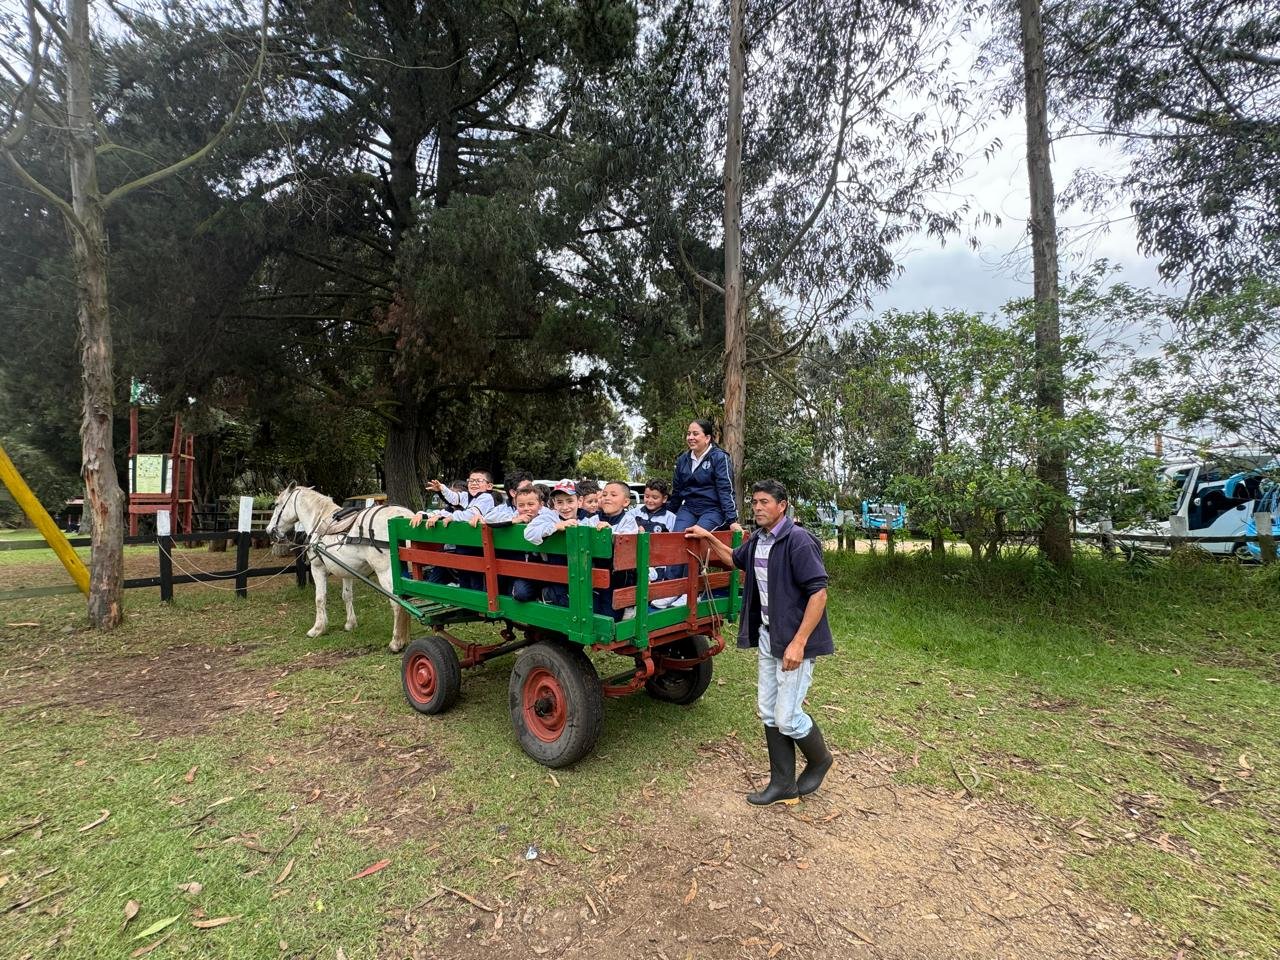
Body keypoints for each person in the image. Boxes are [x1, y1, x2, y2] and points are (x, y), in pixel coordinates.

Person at [686, 479, 834, 806]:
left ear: (782, 505)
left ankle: (820, 760)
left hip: (793, 640)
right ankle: (783, 784)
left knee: (787, 717)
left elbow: (819, 593)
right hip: (768, 635)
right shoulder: (759, 539)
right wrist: (708, 537)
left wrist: (799, 643)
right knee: (769, 711)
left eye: (764, 502)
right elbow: (734, 559)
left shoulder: (798, 540)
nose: (757, 507)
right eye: (754, 502)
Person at [669, 419, 737, 532]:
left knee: (698, 534)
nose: (690, 437)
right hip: (689, 508)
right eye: (688, 434)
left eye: (695, 434)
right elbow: (677, 490)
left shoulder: (719, 457)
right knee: (678, 536)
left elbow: (725, 489)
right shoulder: (682, 460)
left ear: (707, 438)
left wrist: (732, 520)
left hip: (713, 509)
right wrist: (668, 512)